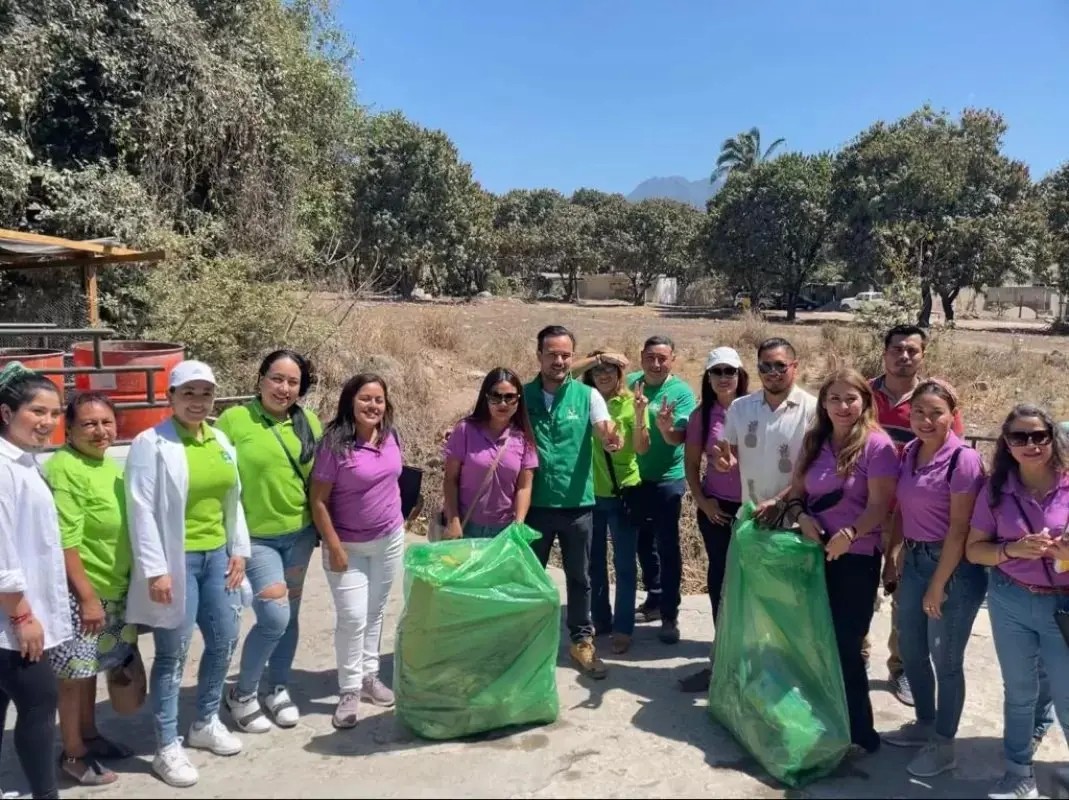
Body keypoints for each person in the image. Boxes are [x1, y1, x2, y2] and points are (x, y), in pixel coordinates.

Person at [125, 360, 250, 788]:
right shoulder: (151, 442)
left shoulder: (219, 441)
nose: (197, 402)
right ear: (171, 397)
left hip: (219, 557)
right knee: (173, 654)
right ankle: (166, 744)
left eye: (205, 394)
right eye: (188, 393)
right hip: (176, 563)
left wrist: (240, 550)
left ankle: (206, 721)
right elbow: (140, 510)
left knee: (223, 639)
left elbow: (233, 500)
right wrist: (155, 571)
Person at [785, 368, 898, 755]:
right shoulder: (814, 441)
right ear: (824, 403)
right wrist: (801, 518)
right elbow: (797, 493)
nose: (843, 406)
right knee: (814, 641)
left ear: (865, 401)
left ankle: (859, 733)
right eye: (834, 398)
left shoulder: (878, 446)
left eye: (851, 398)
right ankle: (821, 720)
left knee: (846, 646)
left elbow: (880, 506)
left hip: (855, 559)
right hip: (812, 556)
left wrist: (848, 536)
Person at [880, 380, 986, 778]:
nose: (925, 420)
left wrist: (938, 584)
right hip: (914, 559)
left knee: (947, 661)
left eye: (936, 413)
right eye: (918, 412)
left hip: (953, 567)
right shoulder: (909, 452)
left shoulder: (963, 460)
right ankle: (924, 722)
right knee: (911, 647)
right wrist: (892, 557)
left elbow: (959, 529)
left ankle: (944, 744)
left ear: (952, 414)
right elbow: (901, 510)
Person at [965, 404, 1069, 800]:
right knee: (1020, 691)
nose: (1030, 444)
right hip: (1010, 600)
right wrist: (1013, 550)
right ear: (1006, 444)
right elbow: (975, 551)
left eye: (1039, 436)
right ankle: (1017, 772)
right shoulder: (995, 491)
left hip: (1063, 604)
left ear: (1051, 439)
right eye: (1019, 437)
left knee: (1066, 695)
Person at [218, 351, 323, 733]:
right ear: (260, 378)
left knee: (290, 616)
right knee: (274, 616)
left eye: (292, 382)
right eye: (276, 379)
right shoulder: (234, 421)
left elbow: (322, 477)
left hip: (299, 534)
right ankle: (242, 693)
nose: (284, 388)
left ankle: (276, 689)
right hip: (255, 539)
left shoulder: (308, 421)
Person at [869, 324, 965, 707]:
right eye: (897, 349)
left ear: (923, 355)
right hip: (866, 506)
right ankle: (855, 656)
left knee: (903, 594)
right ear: (885, 352)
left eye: (913, 350)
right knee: (858, 586)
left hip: (912, 515)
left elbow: (951, 453)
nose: (904, 356)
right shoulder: (865, 394)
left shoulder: (934, 400)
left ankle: (902, 667)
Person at [44, 393, 138, 786]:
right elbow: (66, 539)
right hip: (82, 592)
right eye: (89, 424)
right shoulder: (65, 467)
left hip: (113, 588)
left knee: (92, 672)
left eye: (106, 422)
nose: (101, 431)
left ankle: (90, 734)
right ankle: (72, 753)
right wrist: (86, 597)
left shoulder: (110, 465)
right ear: (70, 428)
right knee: (72, 675)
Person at [524, 325, 620, 679]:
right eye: (552, 354)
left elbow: (604, 428)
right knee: (532, 580)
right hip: (534, 506)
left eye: (566, 354)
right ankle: (532, 642)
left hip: (578, 506)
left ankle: (582, 642)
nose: (560, 361)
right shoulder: (521, 396)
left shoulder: (587, 396)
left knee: (580, 578)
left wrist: (611, 438)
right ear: (539, 356)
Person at [310, 373, 404, 728]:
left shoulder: (392, 435)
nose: (372, 406)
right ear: (350, 401)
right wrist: (333, 545)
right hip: (346, 545)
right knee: (352, 617)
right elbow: (318, 501)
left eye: (378, 399)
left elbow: (393, 479)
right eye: (365, 399)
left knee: (375, 612)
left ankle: (369, 675)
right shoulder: (334, 444)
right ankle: (349, 689)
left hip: (389, 540)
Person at [0, 362, 68, 800]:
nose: (46, 422)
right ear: (7, 413)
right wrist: (22, 615)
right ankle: (47, 794)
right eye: (36, 412)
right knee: (40, 706)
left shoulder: (25, 462)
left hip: (18, 614)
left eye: (54, 413)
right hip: (13, 619)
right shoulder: (4, 468)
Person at [679, 347, 749, 692]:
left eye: (730, 371)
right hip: (717, 509)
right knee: (721, 580)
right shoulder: (701, 417)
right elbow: (691, 465)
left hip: (753, 510)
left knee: (752, 585)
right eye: (717, 371)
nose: (724, 377)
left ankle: (751, 661)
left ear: (741, 375)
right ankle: (722, 660)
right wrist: (704, 502)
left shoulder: (754, 410)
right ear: (707, 377)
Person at [627, 336, 698, 644]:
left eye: (662, 358)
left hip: (668, 480)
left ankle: (670, 615)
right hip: (633, 479)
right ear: (641, 357)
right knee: (643, 544)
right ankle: (654, 599)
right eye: (650, 357)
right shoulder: (629, 382)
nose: (656, 364)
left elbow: (677, 439)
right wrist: (600, 357)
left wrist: (665, 427)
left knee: (667, 546)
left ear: (673, 359)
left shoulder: (680, 392)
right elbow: (575, 379)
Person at [580, 350, 649, 655]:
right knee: (593, 565)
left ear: (620, 373)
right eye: (598, 370)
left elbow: (641, 449)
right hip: (591, 494)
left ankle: (623, 628)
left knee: (623, 565)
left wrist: (637, 418)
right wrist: (595, 356)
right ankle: (601, 621)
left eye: (610, 370)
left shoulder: (633, 402)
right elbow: (558, 375)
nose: (604, 375)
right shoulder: (582, 399)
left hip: (625, 492)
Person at [718, 337, 817, 520]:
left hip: (797, 521)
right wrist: (723, 461)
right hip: (751, 516)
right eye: (765, 366)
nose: (773, 372)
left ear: (795, 366)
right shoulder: (739, 408)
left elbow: (814, 468)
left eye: (780, 365)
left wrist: (779, 503)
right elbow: (728, 453)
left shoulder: (813, 410)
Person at [442, 367, 538, 539]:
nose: (502, 404)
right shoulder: (465, 430)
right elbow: (450, 479)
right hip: (465, 527)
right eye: (496, 396)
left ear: (518, 400)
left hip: (503, 533)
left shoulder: (525, 439)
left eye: (509, 397)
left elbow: (524, 487)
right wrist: (453, 520)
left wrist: (519, 524)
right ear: (485, 398)